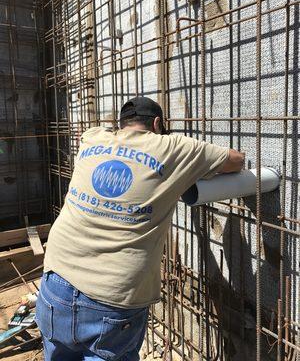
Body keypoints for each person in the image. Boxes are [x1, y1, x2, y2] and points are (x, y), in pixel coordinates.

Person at [36, 96, 245, 360]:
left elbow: (87, 134)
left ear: (121, 125)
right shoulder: (174, 148)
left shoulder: (93, 137)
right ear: (157, 124)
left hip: (55, 282)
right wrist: (189, 169)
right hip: (113, 297)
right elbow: (237, 160)